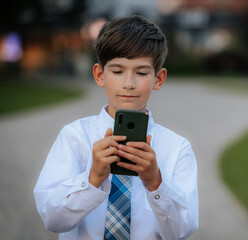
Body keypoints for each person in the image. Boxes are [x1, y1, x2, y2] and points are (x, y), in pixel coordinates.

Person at [33, 15, 199, 240]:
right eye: (118, 71)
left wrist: (156, 183)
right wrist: (92, 179)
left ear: (158, 79)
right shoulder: (74, 137)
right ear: (100, 75)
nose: (129, 83)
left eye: (141, 72)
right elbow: (52, 219)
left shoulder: (177, 148)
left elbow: (181, 231)